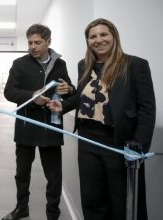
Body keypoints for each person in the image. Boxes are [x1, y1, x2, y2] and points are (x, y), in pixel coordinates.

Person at [47, 18, 155, 220]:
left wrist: (138, 146)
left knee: (122, 202)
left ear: (113, 36)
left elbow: (147, 109)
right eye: (92, 36)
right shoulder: (84, 65)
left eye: (103, 34)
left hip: (120, 142)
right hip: (88, 140)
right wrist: (64, 105)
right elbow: (82, 96)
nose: (98, 40)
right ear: (87, 41)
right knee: (92, 199)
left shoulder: (135, 65)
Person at [3, 24, 74, 220]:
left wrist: (68, 88)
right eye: (30, 43)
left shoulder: (60, 64)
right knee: (22, 173)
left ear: (48, 42)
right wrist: (31, 96)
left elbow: (70, 89)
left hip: (51, 127)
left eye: (38, 42)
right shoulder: (19, 64)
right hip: (26, 125)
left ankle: (53, 213)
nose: (33, 46)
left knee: (54, 176)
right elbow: (9, 92)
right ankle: (21, 207)